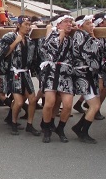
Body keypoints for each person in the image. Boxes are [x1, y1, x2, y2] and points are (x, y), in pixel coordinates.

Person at [0, 15, 41, 136]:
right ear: (18, 25)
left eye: (29, 24)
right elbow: (2, 54)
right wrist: (16, 42)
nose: (28, 27)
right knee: (19, 102)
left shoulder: (30, 40)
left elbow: (34, 58)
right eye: (26, 24)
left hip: (25, 73)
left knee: (32, 100)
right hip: (13, 73)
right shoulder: (9, 36)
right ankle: (13, 122)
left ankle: (30, 125)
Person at [39, 14, 75, 143]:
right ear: (58, 24)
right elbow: (51, 52)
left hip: (65, 73)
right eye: (66, 22)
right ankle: (47, 128)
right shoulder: (51, 36)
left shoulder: (71, 39)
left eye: (71, 22)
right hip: (52, 72)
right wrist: (60, 36)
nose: (69, 24)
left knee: (68, 104)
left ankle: (61, 128)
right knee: (49, 103)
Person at [70, 15, 103, 144]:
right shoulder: (79, 35)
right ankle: (82, 131)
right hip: (83, 73)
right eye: (88, 23)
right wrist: (96, 41)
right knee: (95, 106)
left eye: (92, 23)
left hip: (89, 73)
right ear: (81, 25)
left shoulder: (86, 35)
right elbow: (87, 52)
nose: (91, 25)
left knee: (95, 105)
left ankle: (79, 127)